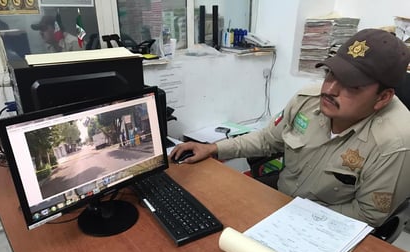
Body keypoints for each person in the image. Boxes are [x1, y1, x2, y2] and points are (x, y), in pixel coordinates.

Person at [169, 28, 410, 227]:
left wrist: (295, 220)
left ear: (382, 98)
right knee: (203, 215)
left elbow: (367, 216)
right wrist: (213, 149)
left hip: (325, 224)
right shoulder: (308, 100)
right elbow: (268, 140)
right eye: (330, 74)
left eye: (352, 85)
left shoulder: (394, 142)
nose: (329, 89)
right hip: (282, 200)